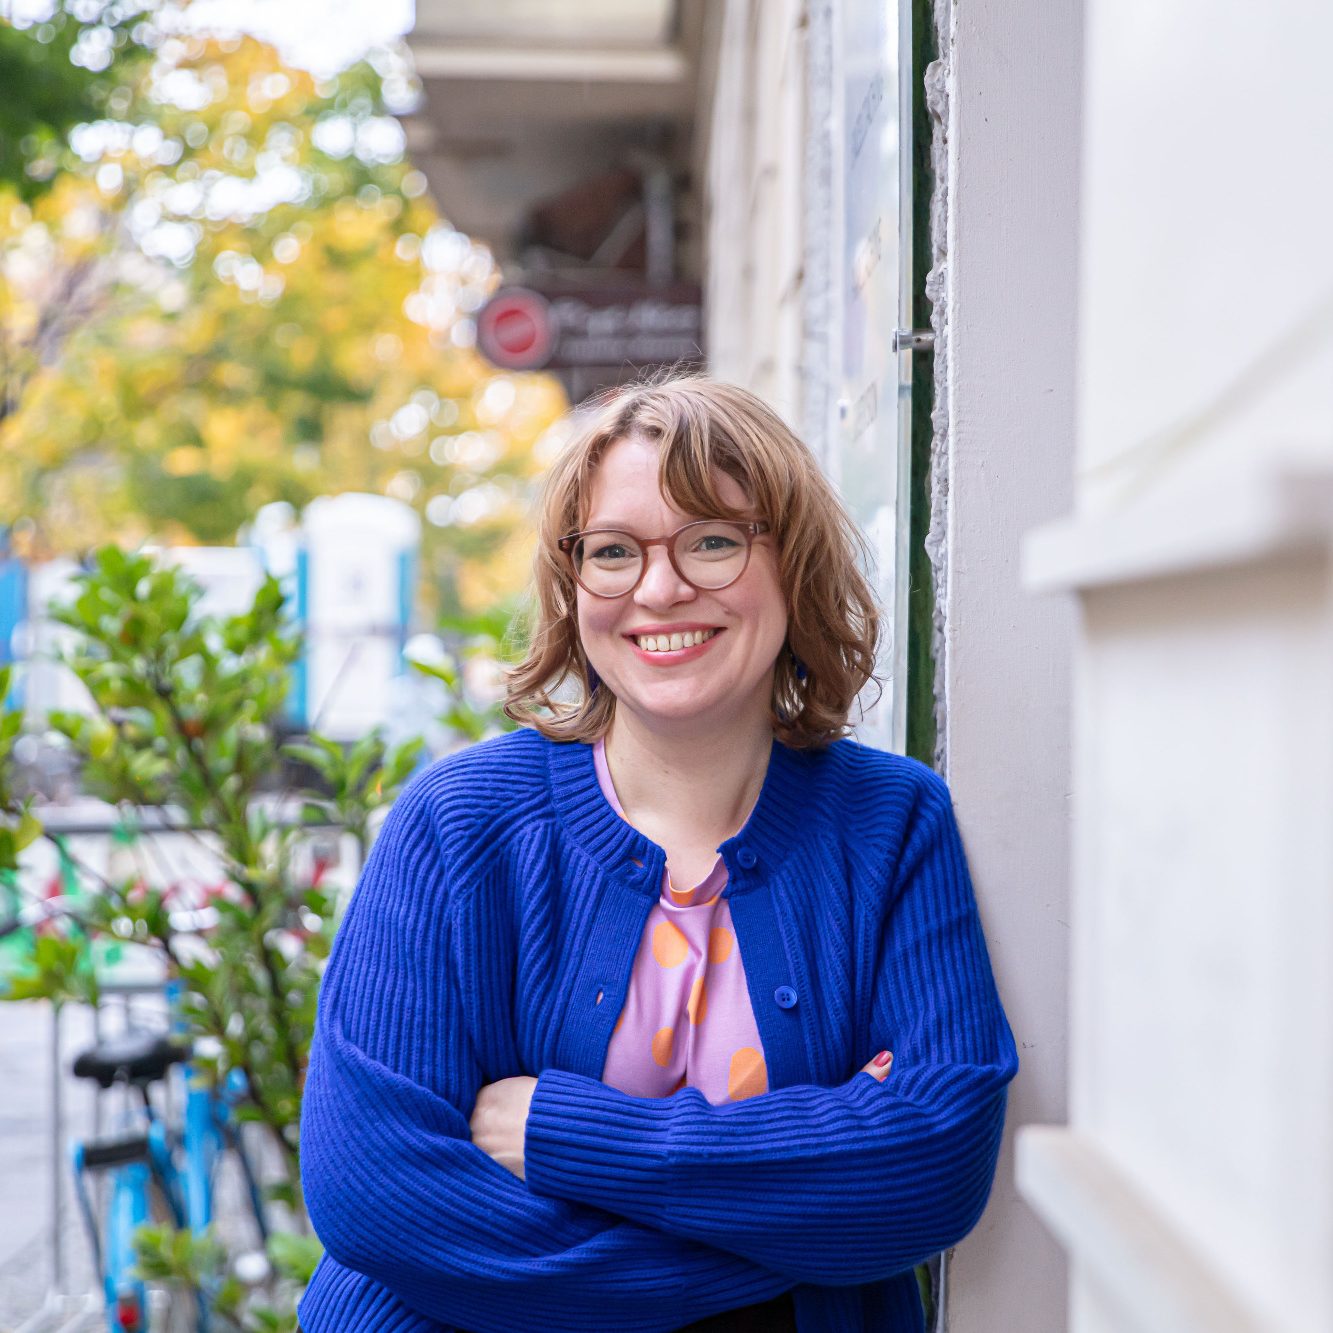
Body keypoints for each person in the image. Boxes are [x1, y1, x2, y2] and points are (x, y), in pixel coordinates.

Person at [298, 375, 1018, 1333]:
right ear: (572, 585)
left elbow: (928, 1166)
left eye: (713, 540)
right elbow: (375, 1191)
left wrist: (567, 1136)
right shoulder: (462, 822)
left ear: (792, 566)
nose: (659, 587)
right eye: (613, 552)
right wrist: (786, 1226)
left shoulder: (888, 825)